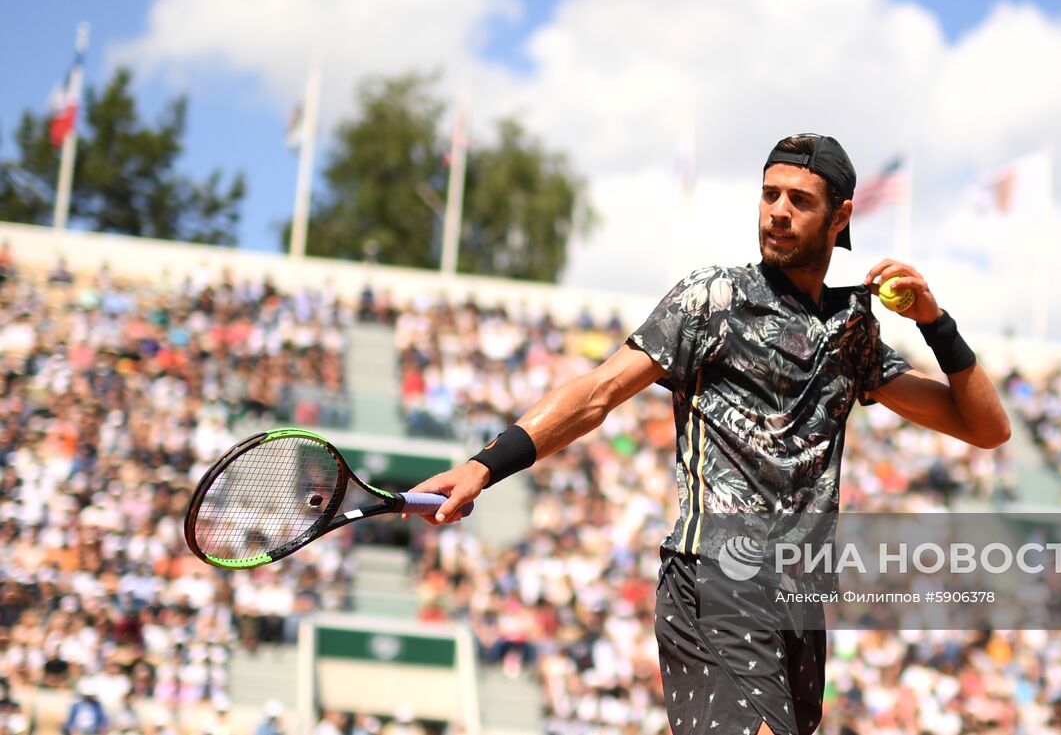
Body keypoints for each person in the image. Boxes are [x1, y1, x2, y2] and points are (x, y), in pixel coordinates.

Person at [408, 133, 1010, 735]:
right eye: (769, 194)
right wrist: (484, 467)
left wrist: (935, 322)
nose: (777, 210)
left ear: (841, 216)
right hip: (716, 574)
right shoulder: (715, 298)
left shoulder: (851, 335)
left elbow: (985, 428)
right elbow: (597, 393)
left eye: (799, 200)